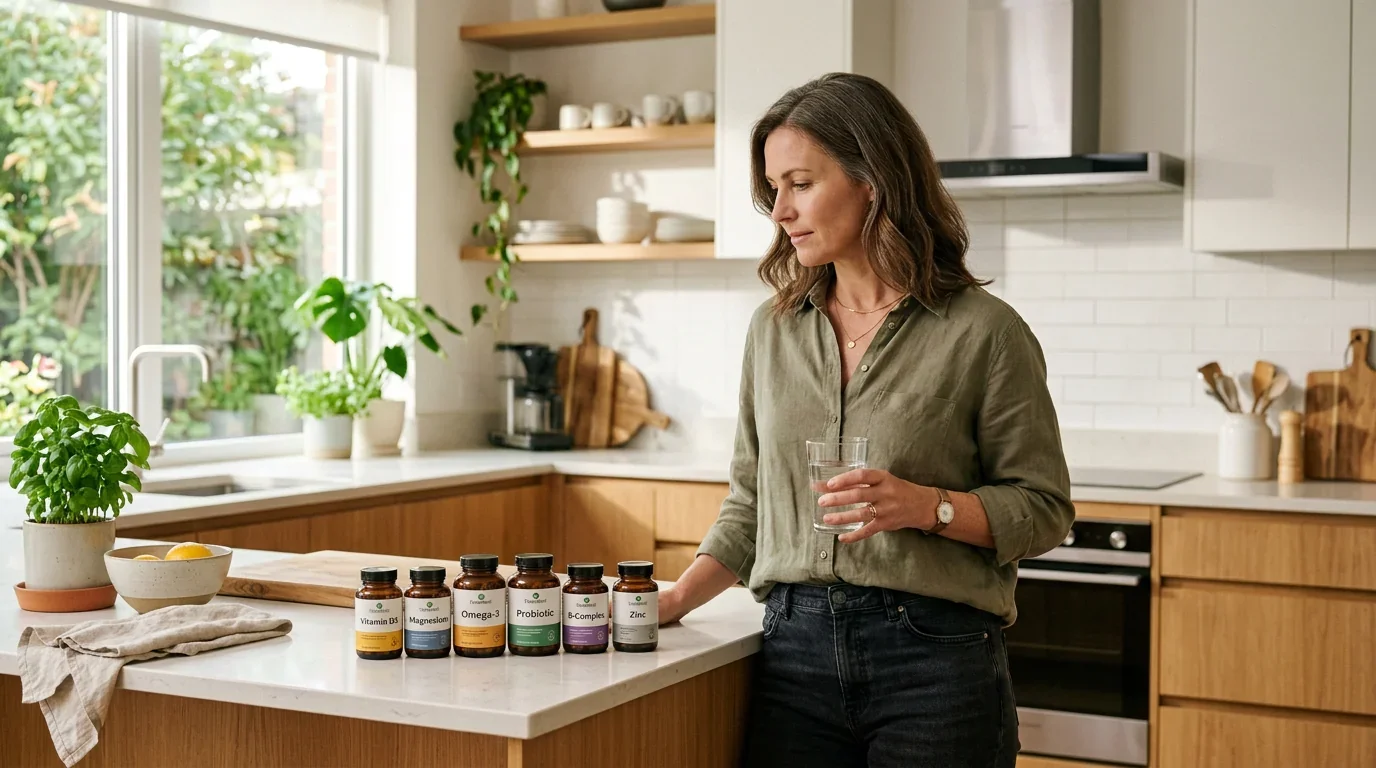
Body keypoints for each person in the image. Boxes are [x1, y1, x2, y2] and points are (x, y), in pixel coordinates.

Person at [656, 72, 1075, 768]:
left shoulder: (985, 333)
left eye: (801, 183)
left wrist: (926, 507)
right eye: (774, 189)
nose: (781, 210)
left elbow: (1045, 510)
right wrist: (674, 599)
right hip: (793, 656)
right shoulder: (774, 330)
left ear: (872, 181)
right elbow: (752, 503)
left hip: (936, 662)